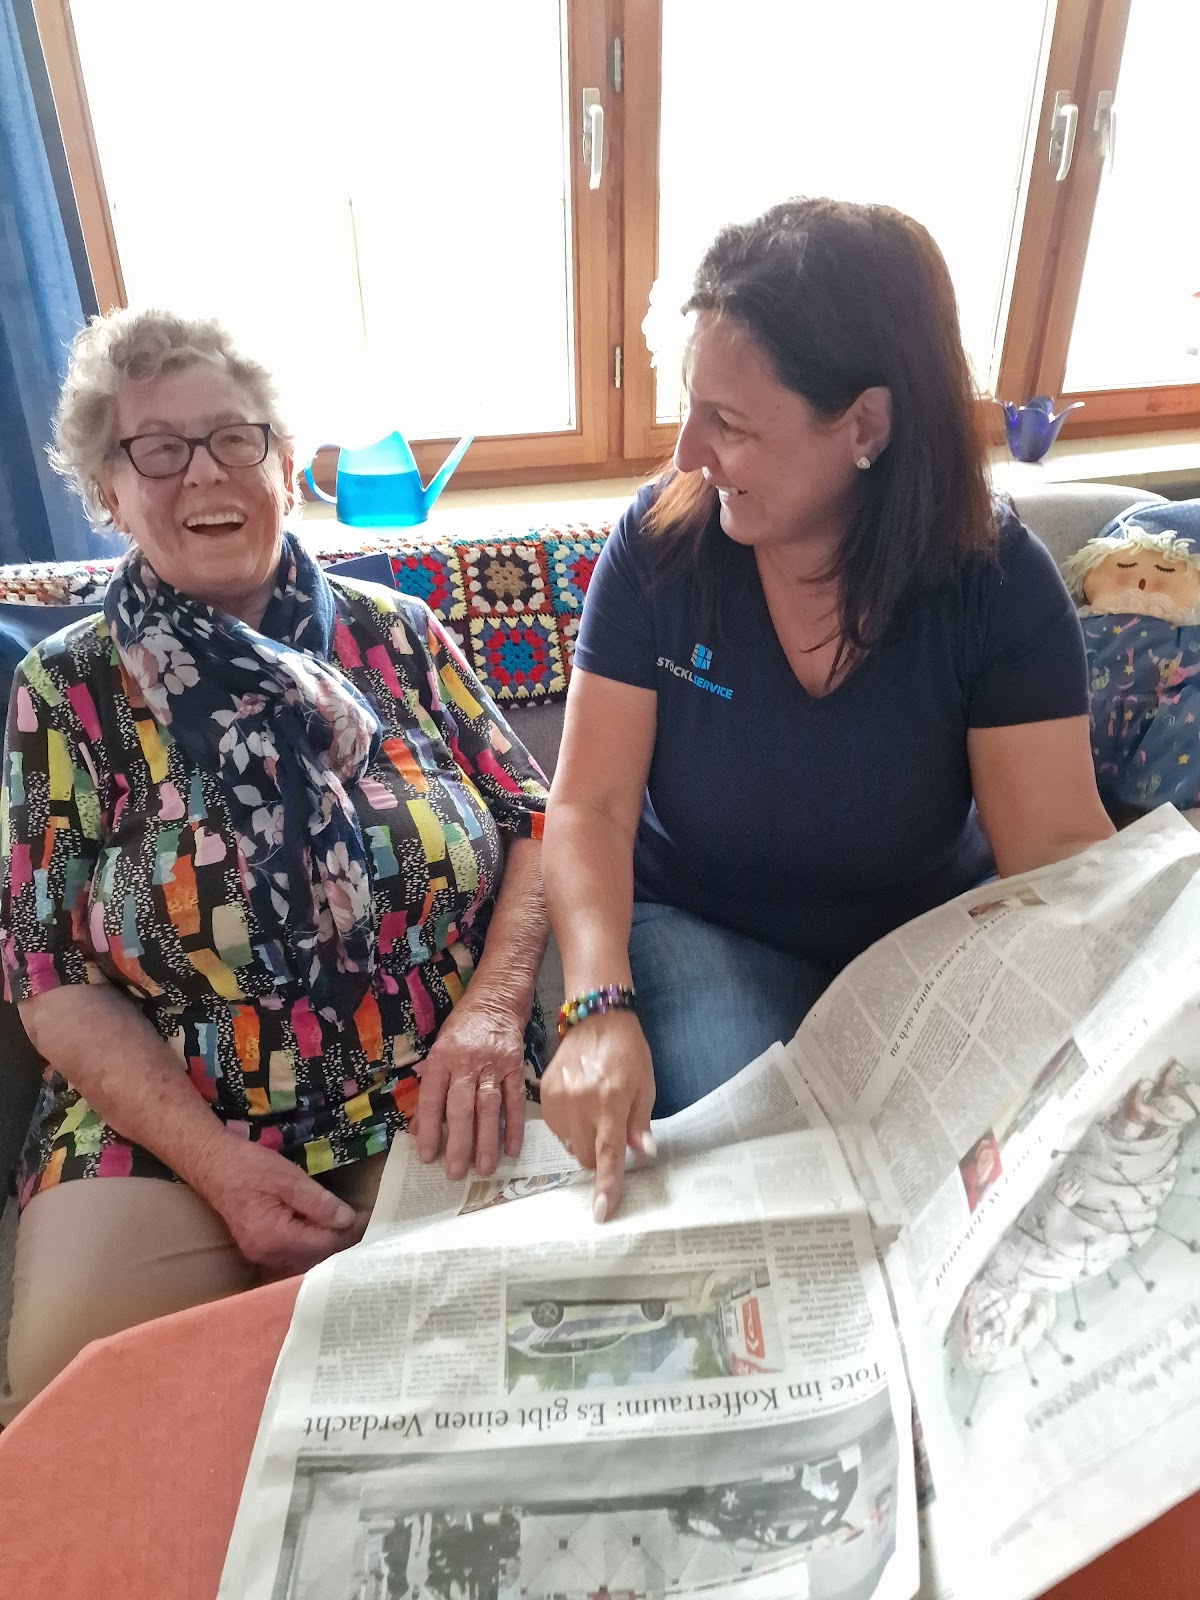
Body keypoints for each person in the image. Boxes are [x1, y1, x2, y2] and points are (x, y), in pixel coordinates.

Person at [0, 309, 548, 1414]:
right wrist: (216, 1162)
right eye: (158, 449)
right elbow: (48, 976)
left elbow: (538, 825)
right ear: (109, 494)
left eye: (233, 438)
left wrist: (493, 1014)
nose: (204, 471)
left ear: (285, 467)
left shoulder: (397, 635)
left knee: (531, 1370)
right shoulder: (65, 690)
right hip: (167, 1127)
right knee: (80, 1408)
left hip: (432, 1081)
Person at [541, 197, 1115, 1220]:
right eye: (689, 408)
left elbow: (1058, 862)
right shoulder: (663, 548)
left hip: (917, 949)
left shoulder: (995, 585)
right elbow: (589, 805)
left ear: (865, 427)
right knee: (771, 1168)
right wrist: (596, 1005)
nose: (687, 452)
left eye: (729, 423)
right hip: (703, 927)